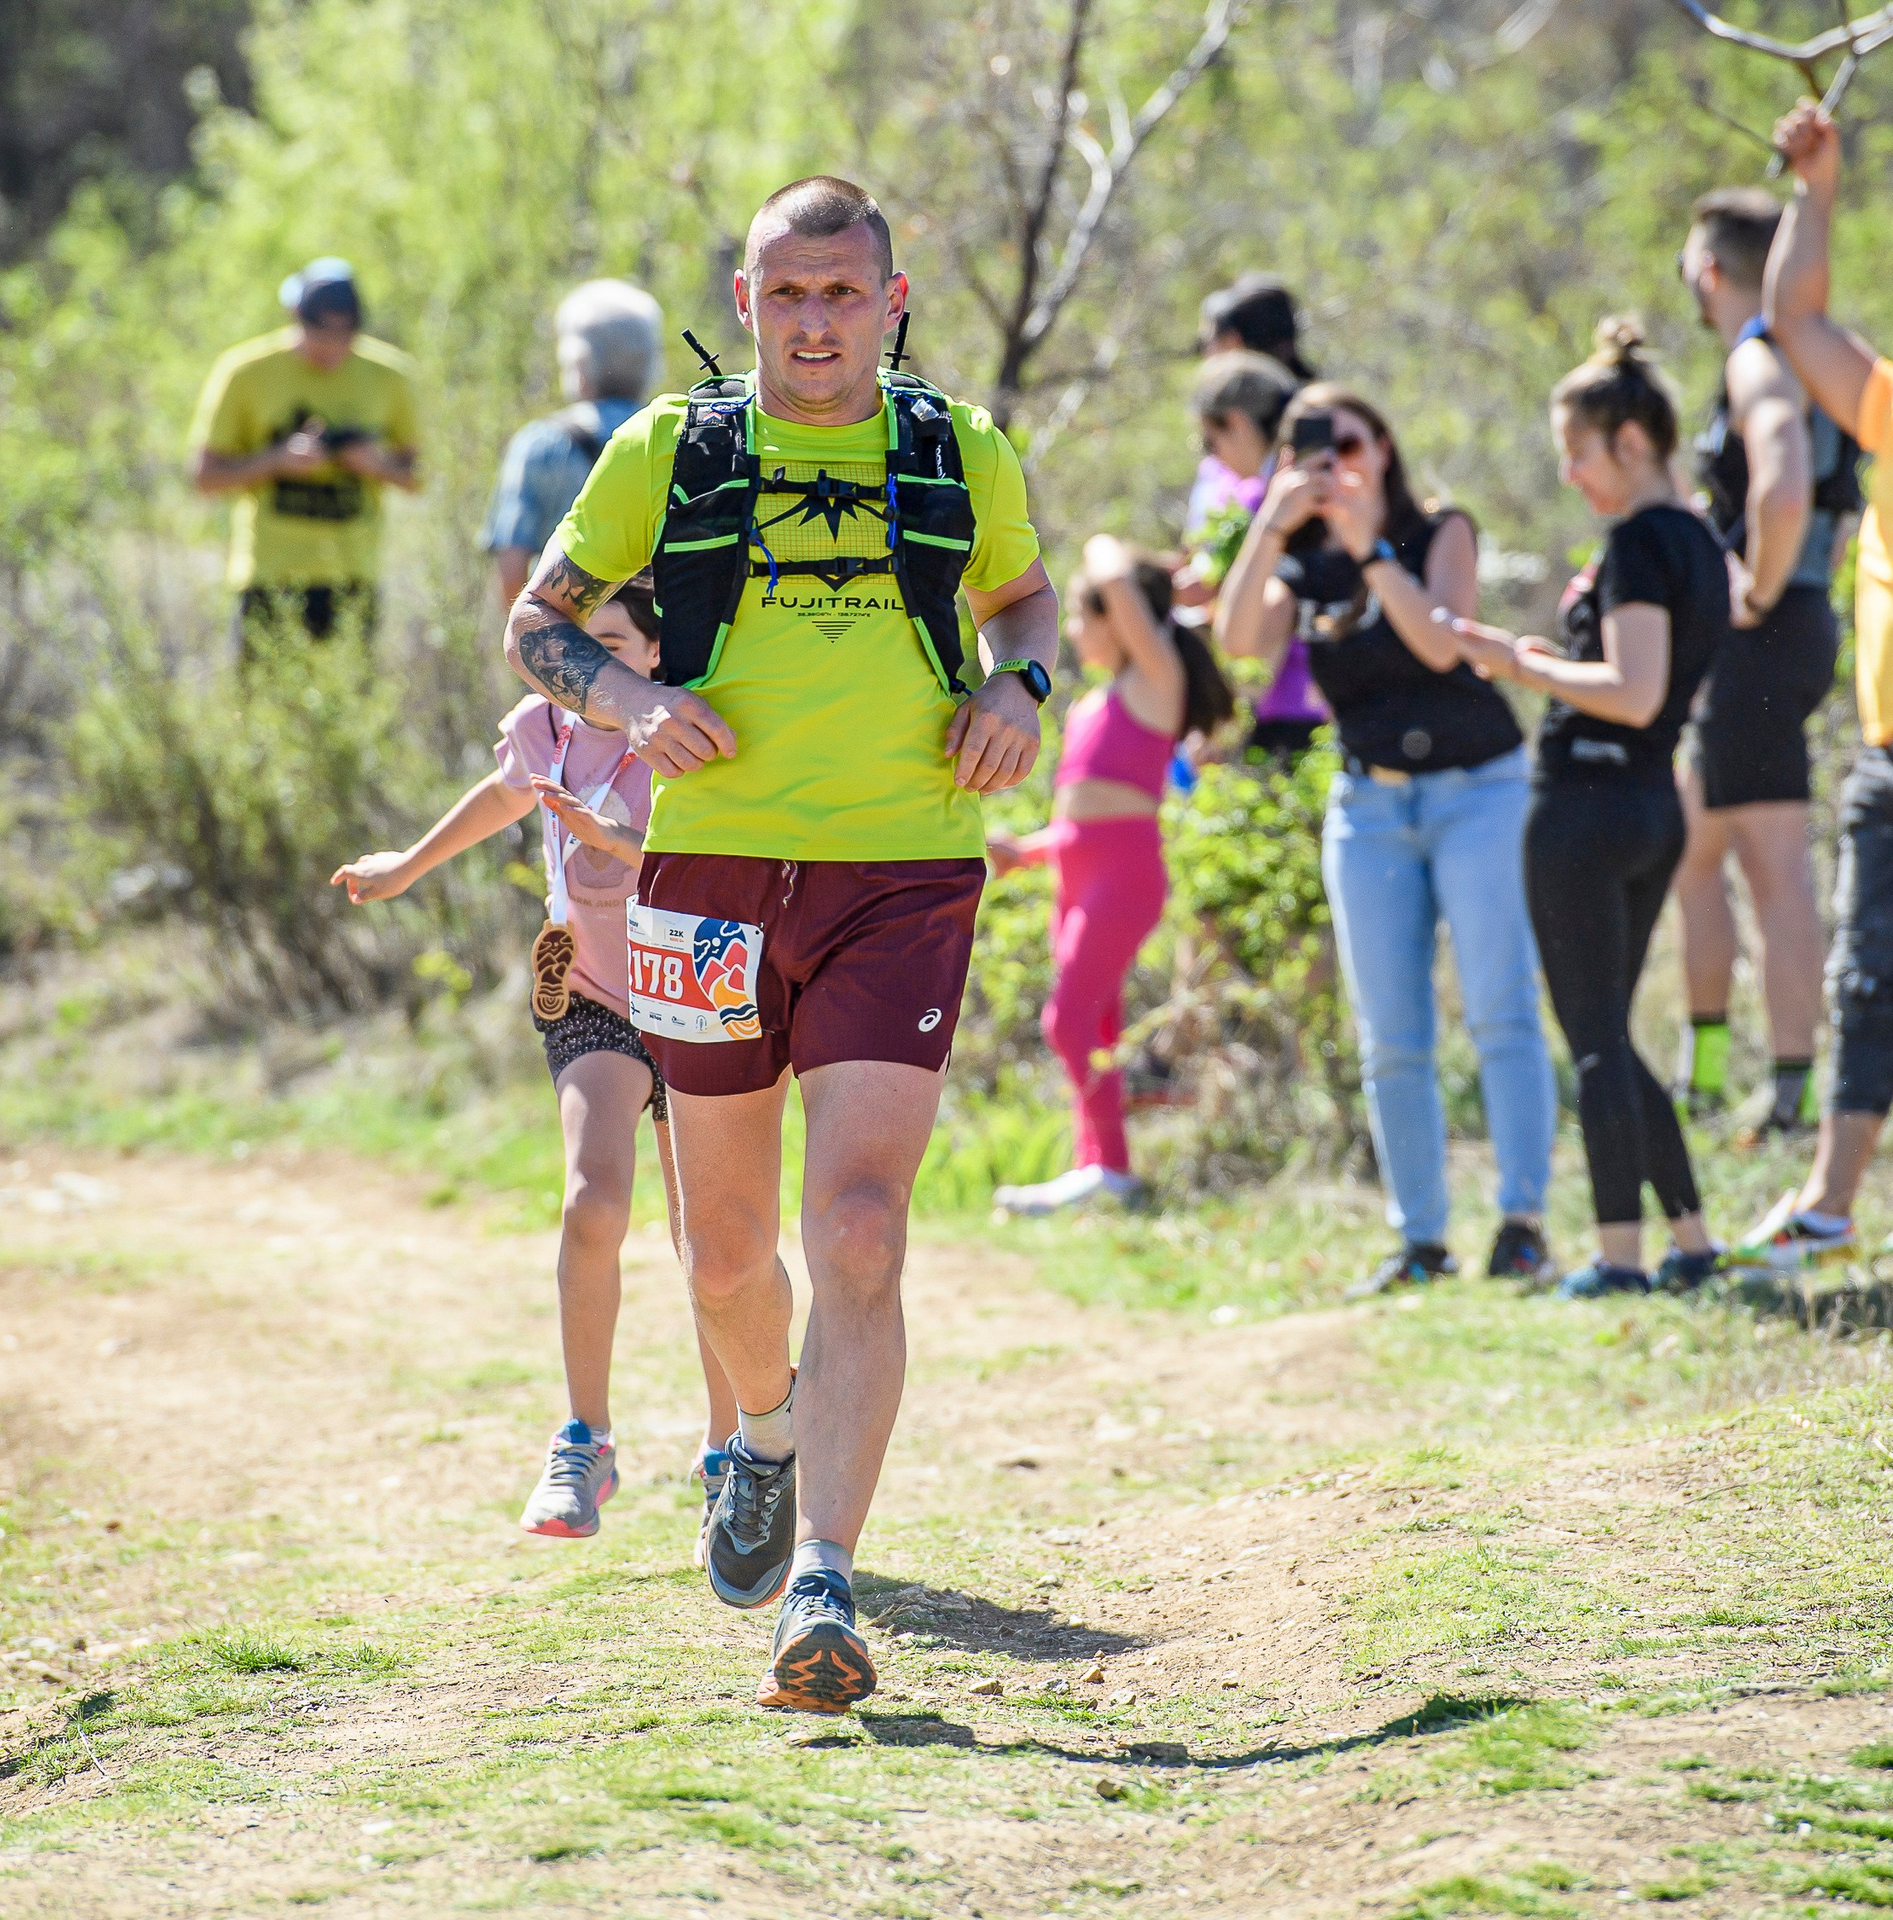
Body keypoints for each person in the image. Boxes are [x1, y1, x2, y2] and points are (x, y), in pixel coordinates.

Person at [504, 177, 1056, 1713]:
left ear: (891, 302)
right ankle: (761, 1430)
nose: (815, 322)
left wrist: (1022, 690)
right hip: (711, 875)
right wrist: (625, 704)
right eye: (786, 295)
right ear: (746, 305)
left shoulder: (959, 447)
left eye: (843, 294)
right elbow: (538, 625)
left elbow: (1023, 597)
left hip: (907, 866)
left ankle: (824, 1585)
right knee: (728, 1249)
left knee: (861, 1230)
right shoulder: (670, 452)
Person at [330, 577, 735, 1539]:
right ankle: (584, 1444)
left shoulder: (689, 731)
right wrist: (407, 865)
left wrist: (616, 841)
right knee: (592, 1203)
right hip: (588, 989)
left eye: (602, 643)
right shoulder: (544, 727)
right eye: (570, 646)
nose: (578, 665)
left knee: (712, 1238)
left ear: (651, 657)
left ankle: (737, 1452)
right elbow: (502, 797)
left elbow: (725, 861)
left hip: (694, 996)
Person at [1215, 384, 1557, 1296]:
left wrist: (1369, 544)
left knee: (1499, 1007)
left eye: (1354, 442)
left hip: (1478, 789)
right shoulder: (1299, 555)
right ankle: (1422, 1240)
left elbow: (1441, 646)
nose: (1339, 463)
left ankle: (1523, 1222)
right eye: (1315, 449)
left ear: (1388, 445)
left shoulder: (1438, 528)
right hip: (1370, 807)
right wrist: (1272, 527)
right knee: (1391, 1035)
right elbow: (1241, 639)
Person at [1449, 322, 1726, 1299]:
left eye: (1577, 451)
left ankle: (1619, 1258)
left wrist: (1517, 662)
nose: (1569, 474)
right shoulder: (1696, 538)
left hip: (1587, 807)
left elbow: (1634, 687)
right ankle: (1690, 1240)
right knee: (1611, 1031)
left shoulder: (1640, 542)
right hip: (1651, 806)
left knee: (1596, 1038)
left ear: (1632, 442)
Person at [1726, 103, 1893, 1269]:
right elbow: (1789, 316)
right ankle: (1830, 1208)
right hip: (1888, 758)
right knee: (1865, 974)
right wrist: (1815, 187)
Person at [1670, 188, 1852, 1134]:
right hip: (1782, 638)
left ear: (1710, 272)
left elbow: (1781, 485)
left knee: (1774, 869)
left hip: (1768, 637)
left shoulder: (1757, 357)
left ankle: (1792, 1094)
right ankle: (1705, 1073)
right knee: (1697, 852)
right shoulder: (1804, 354)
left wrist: (1756, 587)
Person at [989, 539, 1235, 1215]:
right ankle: (1094, 1167)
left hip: (1124, 880)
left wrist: (1114, 552)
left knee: (1065, 1022)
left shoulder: (1155, 680)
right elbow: (1083, 824)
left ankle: (1112, 1170)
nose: (1070, 630)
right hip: (1076, 875)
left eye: (1080, 615)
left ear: (1115, 619)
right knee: (1092, 1024)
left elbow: (1110, 569)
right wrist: (1024, 851)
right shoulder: (1091, 704)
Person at [188, 257, 420, 645]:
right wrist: (276, 461)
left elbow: (420, 475)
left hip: (353, 579)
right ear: (296, 317)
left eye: (343, 338)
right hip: (268, 579)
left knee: (350, 700)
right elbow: (203, 477)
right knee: (259, 705)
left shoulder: (390, 376)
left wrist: (373, 463)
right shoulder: (245, 372)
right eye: (321, 337)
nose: (332, 351)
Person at [481, 281, 665, 609]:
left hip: (567, 631)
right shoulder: (672, 436)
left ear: (578, 362)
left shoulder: (541, 444)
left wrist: (533, 644)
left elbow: (511, 563)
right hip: (652, 640)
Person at [1184, 344, 1327, 759]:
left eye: (1210, 442)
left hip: (1277, 717)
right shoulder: (1327, 486)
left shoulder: (1263, 504)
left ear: (1237, 425)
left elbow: (1266, 619)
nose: (1216, 459)